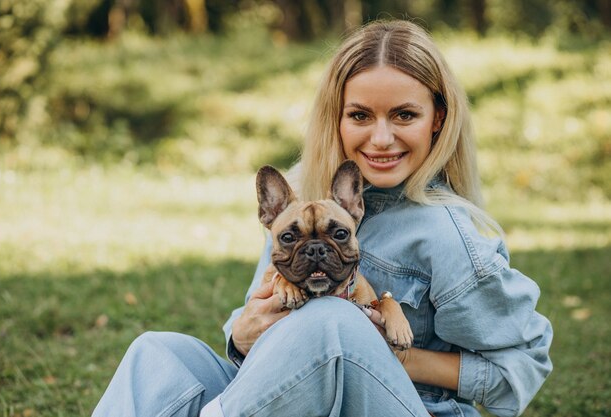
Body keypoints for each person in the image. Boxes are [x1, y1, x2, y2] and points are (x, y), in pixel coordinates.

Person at [92, 19, 553, 417]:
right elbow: (256, 325)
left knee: (331, 322)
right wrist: (243, 334)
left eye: (404, 115)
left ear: (438, 118)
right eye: (360, 115)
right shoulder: (302, 211)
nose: (381, 137)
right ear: (337, 117)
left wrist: (377, 351)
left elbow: (520, 370)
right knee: (155, 353)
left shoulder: (448, 233)